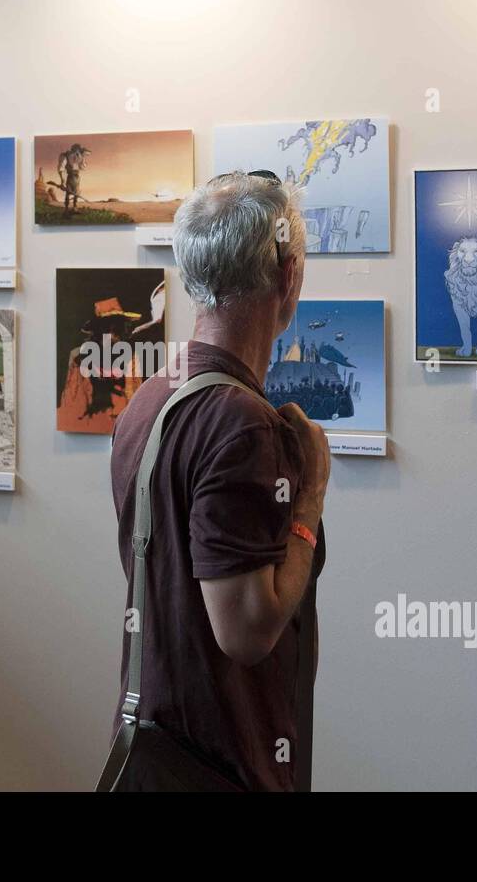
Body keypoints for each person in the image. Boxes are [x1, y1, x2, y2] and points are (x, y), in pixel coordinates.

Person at [108, 170, 330, 791]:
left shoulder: (151, 399)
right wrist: (309, 495)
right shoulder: (242, 424)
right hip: (225, 760)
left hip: (156, 749)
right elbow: (247, 630)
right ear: (288, 275)